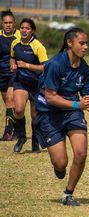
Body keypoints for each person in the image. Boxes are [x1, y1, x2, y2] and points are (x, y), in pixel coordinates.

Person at [34, 27, 89, 206]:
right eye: (82, 43)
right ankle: (59, 168)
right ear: (70, 43)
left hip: (73, 114)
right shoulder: (55, 64)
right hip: (49, 114)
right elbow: (50, 97)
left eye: (87, 43)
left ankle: (68, 194)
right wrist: (77, 104)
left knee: (81, 153)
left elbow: (88, 99)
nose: (86, 47)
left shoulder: (85, 69)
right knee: (61, 164)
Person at [10, 18, 48, 152]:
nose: (24, 30)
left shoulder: (38, 46)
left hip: (36, 85)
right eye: (22, 28)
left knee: (35, 115)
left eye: (27, 28)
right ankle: (21, 137)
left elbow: (45, 67)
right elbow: (12, 57)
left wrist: (27, 65)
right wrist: (12, 64)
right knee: (19, 109)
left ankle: (35, 142)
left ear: (32, 31)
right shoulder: (15, 43)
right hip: (20, 82)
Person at [0, 10, 23, 141]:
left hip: (16, 73)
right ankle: (17, 130)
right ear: (2, 24)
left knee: (10, 98)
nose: (8, 25)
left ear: (14, 23)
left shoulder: (21, 35)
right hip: (2, 74)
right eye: (5, 23)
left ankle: (7, 133)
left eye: (10, 22)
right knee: (9, 103)